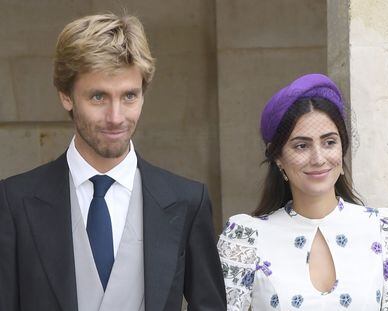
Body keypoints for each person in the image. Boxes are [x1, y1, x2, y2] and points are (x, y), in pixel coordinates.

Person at [0, 13, 226, 311]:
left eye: (129, 96)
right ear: (66, 96)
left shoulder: (187, 201)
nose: (116, 117)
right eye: (98, 97)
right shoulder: (14, 202)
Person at [217, 74, 388, 310]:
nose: (318, 159)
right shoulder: (247, 237)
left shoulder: (383, 227)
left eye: (329, 142)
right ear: (278, 157)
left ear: (342, 149)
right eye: (301, 145)